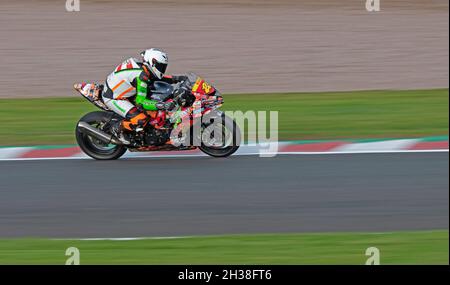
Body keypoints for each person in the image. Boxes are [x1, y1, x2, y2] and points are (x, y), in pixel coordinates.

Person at [101, 48, 186, 144]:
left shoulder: (145, 69)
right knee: (141, 119)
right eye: (160, 66)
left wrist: (178, 79)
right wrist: (162, 105)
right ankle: (117, 128)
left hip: (125, 91)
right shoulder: (141, 76)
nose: (162, 69)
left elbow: (157, 77)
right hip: (114, 97)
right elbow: (140, 102)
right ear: (152, 62)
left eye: (163, 66)